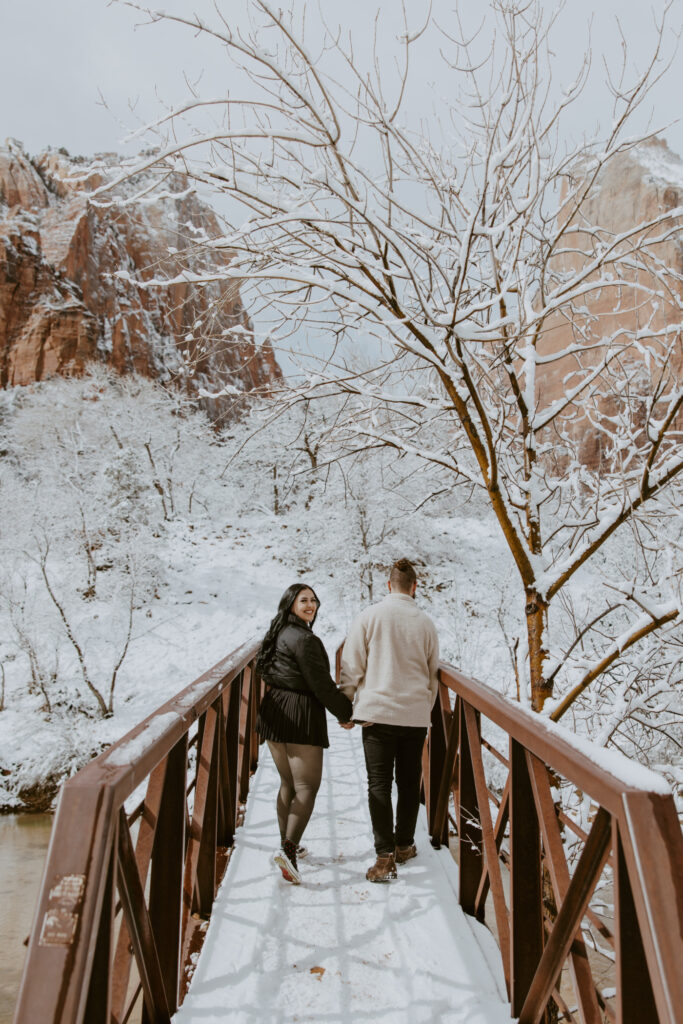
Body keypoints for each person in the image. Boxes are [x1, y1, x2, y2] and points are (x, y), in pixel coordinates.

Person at [340, 558, 439, 882]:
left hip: (377, 714)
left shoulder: (369, 616)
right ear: (414, 586)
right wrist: (425, 709)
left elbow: (351, 664)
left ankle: (384, 857)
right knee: (409, 784)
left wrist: (346, 704)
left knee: (379, 784)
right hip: (412, 716)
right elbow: (432, 674)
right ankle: (405, 845)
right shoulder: (425, 623)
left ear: (388, 586)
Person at [255, 582, 353, 884]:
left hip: (274, 710)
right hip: (299, 714)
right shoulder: (305, 639)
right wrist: (346, 713)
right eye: (303, 601)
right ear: (290, 605)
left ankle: (288, 844)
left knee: (288, 783)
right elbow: (321, 685)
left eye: (314, 600)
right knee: (307, 786)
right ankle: (288, 849)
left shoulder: (278, 633)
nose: (310, 605)